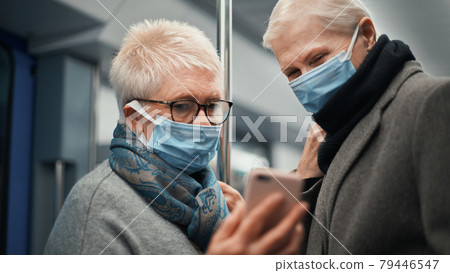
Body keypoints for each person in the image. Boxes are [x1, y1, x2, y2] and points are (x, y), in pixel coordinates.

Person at [44, 19, 306, 255]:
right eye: (182, 106)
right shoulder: (97, 207)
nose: (206, 121)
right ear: (136, 119)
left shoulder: (216, 201)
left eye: (213, 105)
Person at [209, 0, 450, 254]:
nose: (308, 79)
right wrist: (302, 182)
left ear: (367, 35)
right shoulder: (334, 135)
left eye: (318, 58)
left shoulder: (430, 104)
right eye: (292, 73)